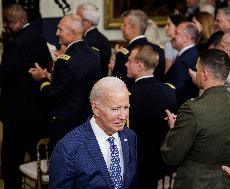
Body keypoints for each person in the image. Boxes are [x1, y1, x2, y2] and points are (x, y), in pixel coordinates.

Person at [161, 49, 230, 189]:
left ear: (204, 74)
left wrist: (174, 129)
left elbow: (171, 156)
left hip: (195, 182)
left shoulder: (192, 108)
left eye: (197, 69)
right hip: (228, 181)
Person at [49, 77, 138, 189]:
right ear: (96, 109)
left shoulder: (130, 136)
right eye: (115, 109)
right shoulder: (68, 148)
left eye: (126, 107)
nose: (123, 116)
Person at [29, 14, 102, 150]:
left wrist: (42, 79)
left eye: (60, 30)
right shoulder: (94, 54)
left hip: (66, 125)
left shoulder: (64, 60)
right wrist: (52, 77)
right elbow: (76, 81)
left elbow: (52, 95)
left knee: (62, 166)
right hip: (88, 120)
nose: (57, 33)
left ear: (72, 33)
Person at [0, 4, 52, 189]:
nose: (6, 25)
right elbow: (47, 63)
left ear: (20, 21)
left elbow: (4, 75)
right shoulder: (39, 37)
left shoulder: (16, 43)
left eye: (9, 22)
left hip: (16, 113)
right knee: (39, 159)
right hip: (38, 109)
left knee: (11, 161)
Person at [125, 45, 177, 188]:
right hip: (161, 159)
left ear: (140, 66)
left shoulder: (129, 95)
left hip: (137, 160)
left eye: (129, 61)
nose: (126, 64)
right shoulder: (169, 90)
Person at [112, 9, 165, 87]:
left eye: (125, 25)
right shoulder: (159, 50)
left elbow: (117, 86)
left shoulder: (124, 54)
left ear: (134, 28)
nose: (121, 28)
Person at [165, 21, 199, 108]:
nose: (172, 36)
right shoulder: (190, 54)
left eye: (176, 33)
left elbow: (175, 91)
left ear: (187, 38)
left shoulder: (186, 60)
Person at [76, 2, 112, 77]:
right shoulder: (98, 37)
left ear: (88, 22)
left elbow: (82, 67)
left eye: (78, 19)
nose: (75, 22)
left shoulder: (90, 41)